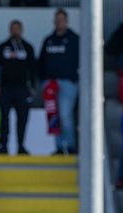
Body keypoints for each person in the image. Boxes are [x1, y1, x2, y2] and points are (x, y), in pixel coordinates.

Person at [0, 20, 36, 154]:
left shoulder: (28, 47)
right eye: (13, 28)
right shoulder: (3, 46)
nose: (15, 31)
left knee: (22, 118)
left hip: (22, 88)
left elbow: (33, 68)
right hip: (5, 87)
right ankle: (3, 145)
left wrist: (33, 86)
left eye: (17, 28)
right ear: (9, 30)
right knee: (4, 118)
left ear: (22, 30)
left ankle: (21, 145)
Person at [38, 9, 80, 154]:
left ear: (66, 21)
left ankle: (70, 145)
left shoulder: (74, 39)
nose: (59, 22)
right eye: (57, 20)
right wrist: (43, 80)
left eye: (61, 20)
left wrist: (75, 78)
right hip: (50, 84)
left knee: (65, 115)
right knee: (53, 116)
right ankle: (59, 147)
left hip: (67, 83)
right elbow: (41, 61)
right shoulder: (49, 40)